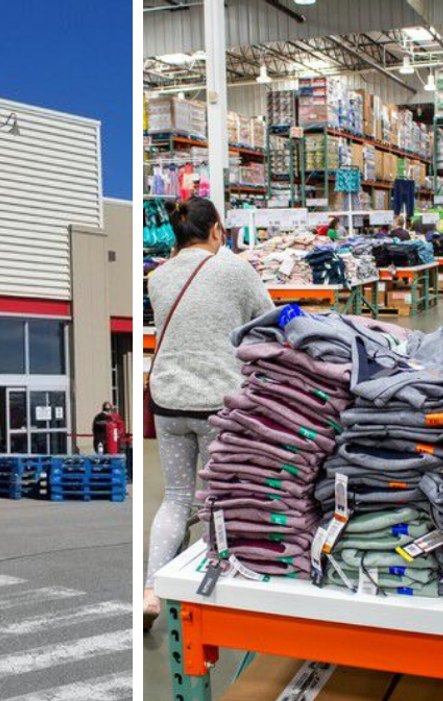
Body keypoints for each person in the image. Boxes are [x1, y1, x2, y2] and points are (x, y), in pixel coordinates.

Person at [144, 196, 273, 628]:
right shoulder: (235, 269)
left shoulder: (157, 277)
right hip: (220, 402)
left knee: (176, 498)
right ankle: (223, 592)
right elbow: (270, 320)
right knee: (225, 496)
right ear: (217, 229)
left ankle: (150, 591)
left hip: (168, 400)